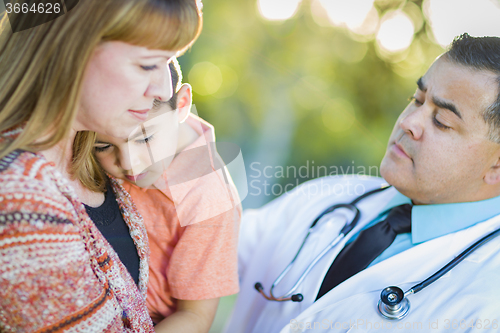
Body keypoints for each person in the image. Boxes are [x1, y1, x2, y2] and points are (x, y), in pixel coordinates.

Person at [225, 33, 500, 333]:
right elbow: (203, 250)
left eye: (442, 121)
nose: (409, 122)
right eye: (417, 100)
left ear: (496, 165)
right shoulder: (332, 195)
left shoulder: (489, 301)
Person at [0, 0, 202, 331]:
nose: (165, 88)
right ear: (72, 49)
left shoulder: (92, 153)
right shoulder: (21, 199)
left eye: (169, 61)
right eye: (148, 64)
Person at [92, 59, 241, 332]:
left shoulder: (210, 200)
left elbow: (194, 317)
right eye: (103, 145)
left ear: (182, 105)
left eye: (145, 139)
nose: (129, 163)